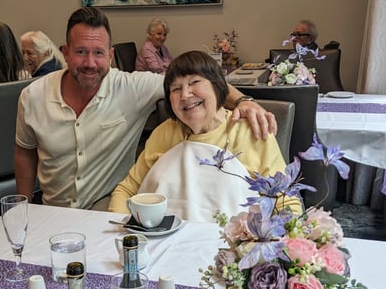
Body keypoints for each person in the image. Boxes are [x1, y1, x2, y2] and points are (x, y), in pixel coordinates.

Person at [15, 7, 276, 210]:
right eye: (81, 51)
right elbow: (25, 153)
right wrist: (23, 210)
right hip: (53, 210)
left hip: (103, 206)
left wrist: (245, 102)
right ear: (65, 52)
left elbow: (194, 80)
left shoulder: (131, 88)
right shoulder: (33, 96)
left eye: (98, 53)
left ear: (111, 55)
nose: (90, 63)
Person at [109, 51, 302, 221]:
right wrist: (120, 235)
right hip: (162, 245)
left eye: (194, 82)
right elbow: (126, 190)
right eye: (175, 89)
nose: (185, 94)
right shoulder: (164, 133)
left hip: (233, 251)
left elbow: (286, 202)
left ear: (218, 86)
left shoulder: (251, 131)